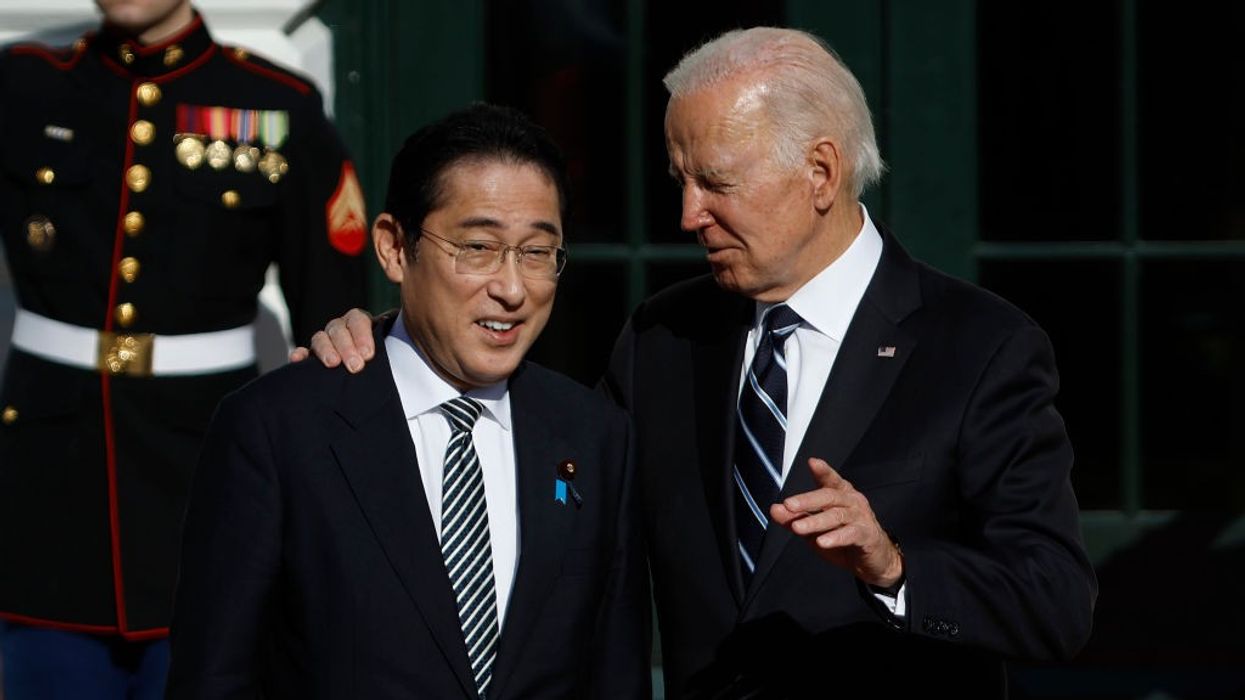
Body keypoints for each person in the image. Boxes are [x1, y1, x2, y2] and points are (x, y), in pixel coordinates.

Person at [304, 27, 1097, 698]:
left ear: (819, 172)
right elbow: (546, 472)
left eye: (715, 183)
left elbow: (1055, 603)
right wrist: (400, 338)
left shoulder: (979, 345)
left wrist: (891, 568)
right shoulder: (665, 337)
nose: (688, 215)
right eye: (680, 181)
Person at [165, 103, 650, 699]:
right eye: (477, 247)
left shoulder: (595, 436)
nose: (512, 288)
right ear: (395, 247)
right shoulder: (279, 428)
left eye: (536, 253)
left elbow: (615, 675)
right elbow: (214, 677)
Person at [0, 0, 367, 696]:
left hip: (206, 483)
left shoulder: (274, 104)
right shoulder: (24, 85)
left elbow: (331, 333)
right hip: (48, 493)